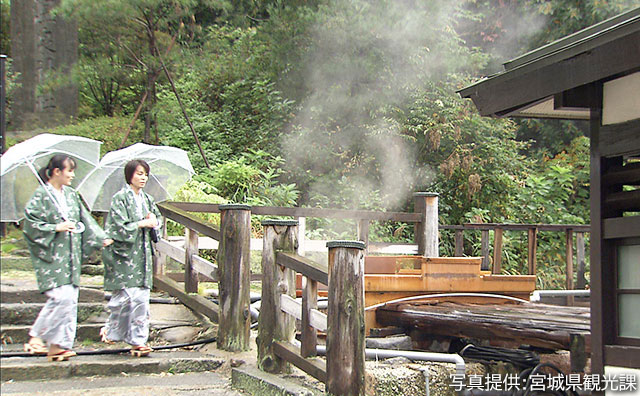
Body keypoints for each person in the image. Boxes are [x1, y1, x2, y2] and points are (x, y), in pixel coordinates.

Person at [23, 155, 112, 362]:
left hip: (70, 256)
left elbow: (85, 220)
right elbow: (30, 225)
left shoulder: (71, 195)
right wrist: (55, 227)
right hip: (51, 256)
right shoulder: (41, 196)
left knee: (71, 300)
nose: (72, 175)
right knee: (60, 297)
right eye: (69, 171)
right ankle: (36, 336)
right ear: (56, 172)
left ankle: (58, 345)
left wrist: (101, 237)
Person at [101, 159, 162, 357]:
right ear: (129, 176)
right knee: (124, 298)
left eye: (145, 174)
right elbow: (118, 226)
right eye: (139, 174)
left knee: (142, 298)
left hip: (143, 254)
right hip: (124, 254)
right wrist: (140, 224)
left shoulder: (147, 199)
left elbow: (157, 219)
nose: (143, 178)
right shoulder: (120, 198)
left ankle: (138, 340)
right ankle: (111, 330)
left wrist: (154, 223)